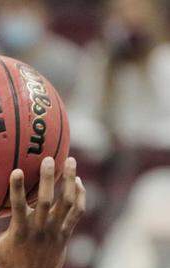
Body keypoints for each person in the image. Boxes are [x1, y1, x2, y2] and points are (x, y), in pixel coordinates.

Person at [67, 0, 170, 157]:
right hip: (106, 156)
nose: (129, 18)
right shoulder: (98, 58)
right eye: (120, 12)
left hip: (153, 161)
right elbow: (81, 113)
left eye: (136, 9)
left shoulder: (164, 61)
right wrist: (101, 139)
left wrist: (141, 140)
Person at [0, 0, 80, 99]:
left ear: (44, 12)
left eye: (26, 5)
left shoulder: (67, 60)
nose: (19, 14)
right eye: (11, 6)